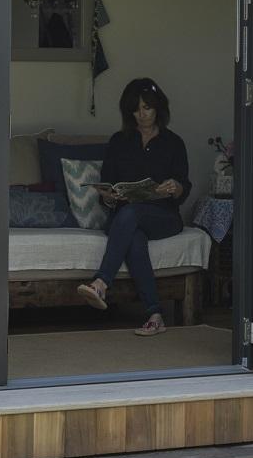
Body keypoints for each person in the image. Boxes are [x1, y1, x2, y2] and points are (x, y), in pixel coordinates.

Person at [76, 77, 191, 336]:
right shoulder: (119, 141)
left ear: (158, 108)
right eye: (136, 109)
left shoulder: (174, 143)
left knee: (131, 213)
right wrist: (108, 196)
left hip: (163, 217)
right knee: (134, 238)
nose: (142, 114)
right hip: (125, 218)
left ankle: (102, 281)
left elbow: (184, 186)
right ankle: (155, 314)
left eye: (147, 108)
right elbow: (108, 184)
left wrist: (175, 187)